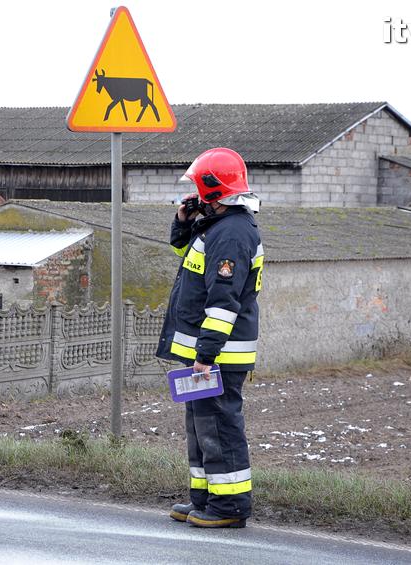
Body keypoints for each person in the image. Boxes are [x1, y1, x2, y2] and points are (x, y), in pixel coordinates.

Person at [156, 147, 263, 528]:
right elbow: (185, 252)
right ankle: (205, 498)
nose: (196, 194)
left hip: (219, 355)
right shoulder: (219, 225)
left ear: (213, 188)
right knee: (201, 426)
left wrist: (205, 355)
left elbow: (223, 301)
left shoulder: (233, 233)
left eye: (200, 188)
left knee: (220, 425)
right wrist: (182, 220)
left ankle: (229, 507)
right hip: (208, 353)